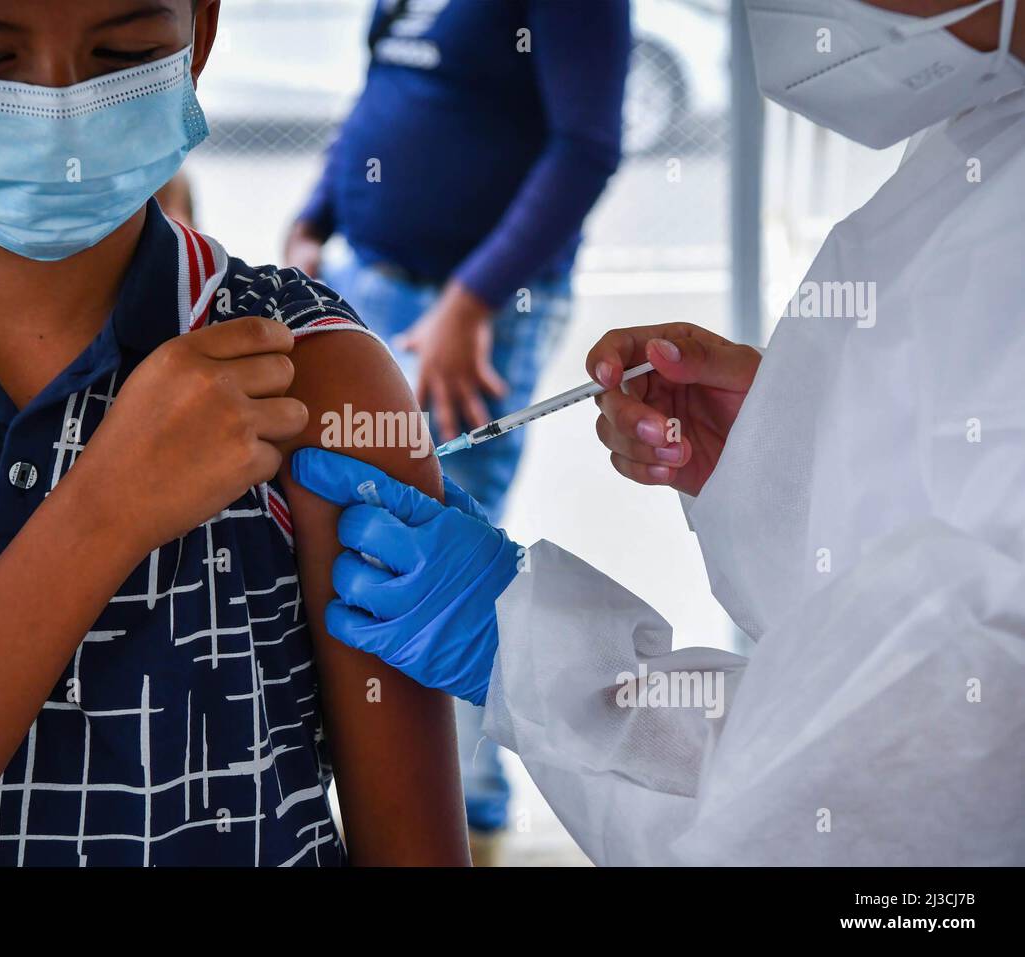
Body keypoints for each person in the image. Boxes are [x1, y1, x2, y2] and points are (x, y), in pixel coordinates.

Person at [0, 0, 468, 866]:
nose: (59, 106)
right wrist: (106, 509)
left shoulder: (316, 372)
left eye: (124, 50)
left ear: (199, 35)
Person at [291, 0, 1025, 865]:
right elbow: (893, 600)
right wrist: (796, 459)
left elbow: (872, 807)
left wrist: (522, 647)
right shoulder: (984, 145)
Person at [285, 0, 630, 858]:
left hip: (468, 313)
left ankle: (470, 816)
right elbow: (383, 90)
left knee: (431, 560)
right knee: (363, 549)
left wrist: (472, 298)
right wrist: (314, 219)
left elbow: (586, 145)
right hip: (369, 282)